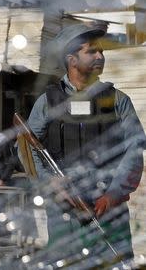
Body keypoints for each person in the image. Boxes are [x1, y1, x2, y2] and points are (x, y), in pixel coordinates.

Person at [26, 22, 145, 265]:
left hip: (108, 207)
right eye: (91, 51)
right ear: (71, 59)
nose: (100, 56)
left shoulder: (118, 100)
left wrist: (114, 193)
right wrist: (52, 183)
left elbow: (135, 148)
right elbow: (26, 146)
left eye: (101, 51)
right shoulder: (47, 102)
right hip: (65, 208)